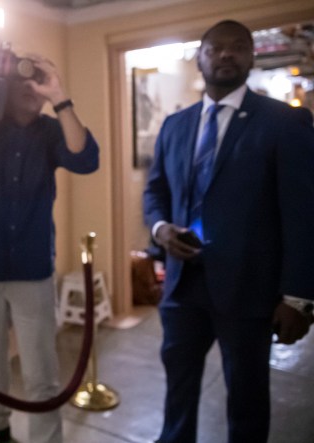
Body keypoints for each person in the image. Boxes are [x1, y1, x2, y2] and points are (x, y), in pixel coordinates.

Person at [143, 20, 314, 443]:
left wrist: (298, 296)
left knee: (247, 397)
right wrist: (161, 229)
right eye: (215, 48)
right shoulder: (175, 125)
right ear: (199, 58)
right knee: (178, 391)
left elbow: (302, 212)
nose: (225, 54)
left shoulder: (283, 122)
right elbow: (155, 191)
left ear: (252, 57)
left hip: (249, 289)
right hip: (182, 288)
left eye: (237, 46)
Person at [0, 52, 100, 441]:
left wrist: (59, 96)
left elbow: (86, 159)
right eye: (22, 81)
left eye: (38, 81)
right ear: (6, 88)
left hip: (33, 270)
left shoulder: (50, 131)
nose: (31, 88)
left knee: (40, 372)